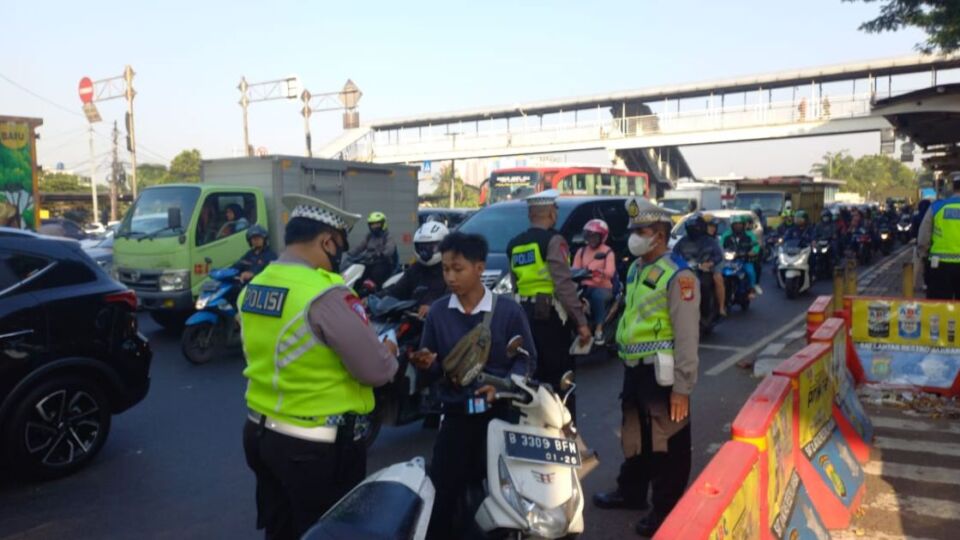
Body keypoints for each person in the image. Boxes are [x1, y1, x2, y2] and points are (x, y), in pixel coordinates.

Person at [240, 194, 399, 540]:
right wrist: (390, 349)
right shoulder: (323, 293)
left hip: (260, 432)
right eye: (340, 243)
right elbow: (375, 370)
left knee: (281, 528)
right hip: (314, 447)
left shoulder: (257, 285)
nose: (341, 251)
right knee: (328, 532)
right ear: (327, 241)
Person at [410, 232, 536, 540]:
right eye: (445, 269)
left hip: (500, 414)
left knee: (502, 492)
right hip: (455, 413)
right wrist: (426, 363)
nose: (450, 277)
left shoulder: (508, 312)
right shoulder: (439, 312)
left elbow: (527, 360)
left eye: (458, 269)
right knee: (443, 490)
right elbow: (435, 368)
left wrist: (504, 387)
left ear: (479, 268)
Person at [593, 197, 700, 537]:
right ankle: (632, 492)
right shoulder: (637, 268)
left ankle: (667, 509)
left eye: (642, 231)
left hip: (663, 373)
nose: (634, 236)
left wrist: (683, 387)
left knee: (667, 444)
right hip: (635, 368)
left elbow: (686, 336)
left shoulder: (679, 276)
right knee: (635, 435)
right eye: (633, 230)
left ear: (661, 235)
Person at [506, 189, 590, 415]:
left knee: (531, 376)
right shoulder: (554, 241)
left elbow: (514, 283)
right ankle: (564, 432)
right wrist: (581, 322)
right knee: (560, 380)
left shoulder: (515, 244)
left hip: (524, 315)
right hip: (551, 318)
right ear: (551, 213)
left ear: (530, 215)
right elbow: (563, 285)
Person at [377, 221, 450, 318]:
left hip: (439, 322)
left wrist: (433, 306)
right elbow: (397, 290)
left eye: (432, 247)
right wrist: (376, 297)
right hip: (413, 320)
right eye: (422, 247)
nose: (425, 252)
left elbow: (453, 296)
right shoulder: (416, 269)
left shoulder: (450, 270)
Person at [573, 219, 617, 345]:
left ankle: (599, 330)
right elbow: (575, 269)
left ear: (602, 237)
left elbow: (610, 272)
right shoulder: (581, 252)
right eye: (589, 235)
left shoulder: (607, 252)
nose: (591, 239)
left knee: (597, 297)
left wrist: (598, 272)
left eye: (594, 236)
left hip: (602, 287)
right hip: (584, 287)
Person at [918, 172, 960, 300]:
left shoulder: (937, 207)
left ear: (953, 187)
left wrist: (923, 255)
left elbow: (924, 237)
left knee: (938, 308)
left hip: (939, 266)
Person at [673, 213, 725, 317]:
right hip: (686, 271)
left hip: (704, 272)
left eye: (696, 227)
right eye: (691, 228)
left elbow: (718, 255)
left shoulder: (710, 241)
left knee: (705, 286)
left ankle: (709, 313)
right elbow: (673, 255)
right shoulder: (682, 242)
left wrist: (710, 263)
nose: (694, 230)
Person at [347, 211, 399, 287]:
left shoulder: (388, 236)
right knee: (359, 276)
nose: (375, 227)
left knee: (376, 274)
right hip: (369, 262)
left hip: (384, 262)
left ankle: (376, 292)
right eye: (373, 225)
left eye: (377, 224)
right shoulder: (369, 236)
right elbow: (360, 247)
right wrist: (349, 254)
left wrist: (380, 254)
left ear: (383, 224)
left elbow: (390, 249)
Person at [720, 215, 762, 297]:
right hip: (729, 261)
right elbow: (720, 245)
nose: (738, 226)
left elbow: (756, 246)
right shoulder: (726, 234)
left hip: (744, 259)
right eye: (735, 224)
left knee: (750, 271)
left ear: (743, 225)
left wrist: (752, 251)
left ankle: (751, 289)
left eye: (740, 224)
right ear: (732, 225)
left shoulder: (749, 235)